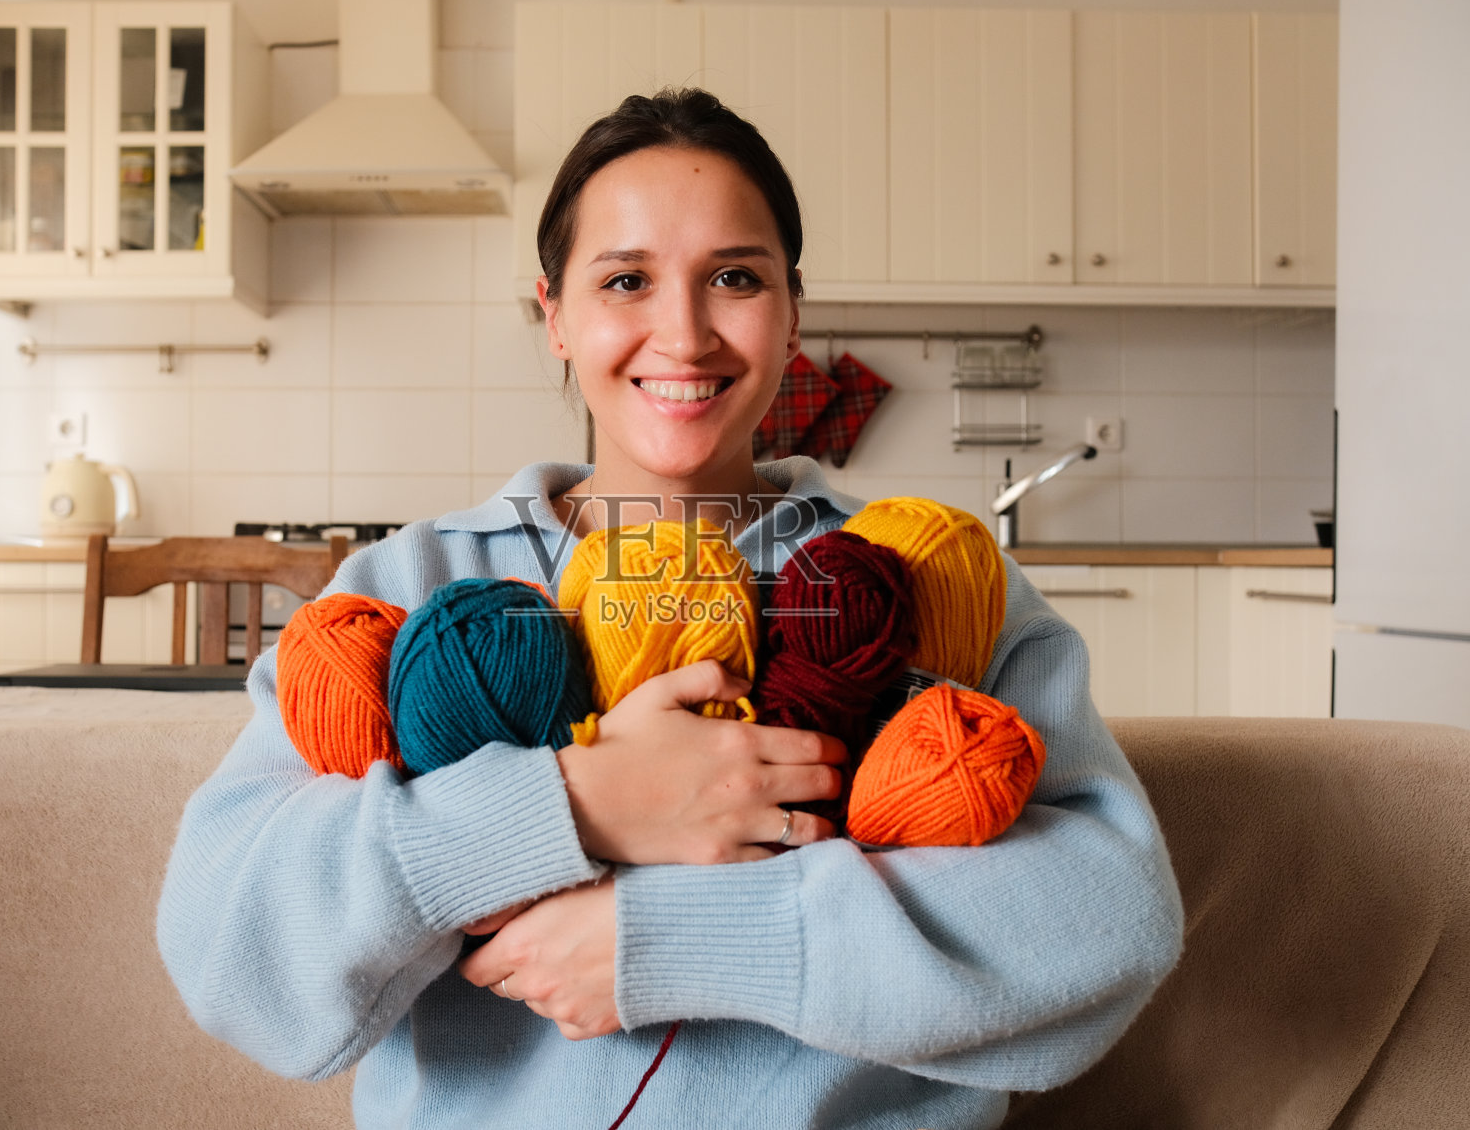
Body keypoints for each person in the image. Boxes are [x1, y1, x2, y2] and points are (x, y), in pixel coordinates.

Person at [157, 87, 1183, 1128]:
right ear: (554, 314)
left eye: (734, 277)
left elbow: (1108, 923)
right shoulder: (402, 592)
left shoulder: (930, 579)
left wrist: (673, 939)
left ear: (792, 313)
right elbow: (229, 957)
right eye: (626, 280)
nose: (684, 334)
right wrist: (571, 803)